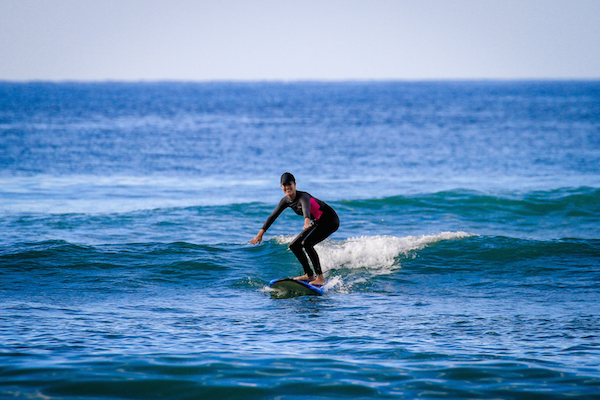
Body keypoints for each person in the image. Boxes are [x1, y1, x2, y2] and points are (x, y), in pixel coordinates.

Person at [250, 172, 340, 286]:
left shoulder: (303, 197)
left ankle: (320, 278)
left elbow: (306, 208)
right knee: (294, 245)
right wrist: (260, 233)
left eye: (289, 184)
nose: (287, 187)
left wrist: (307, 221)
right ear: (281, 187)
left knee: (307, 243)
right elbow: (273, 216)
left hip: (330, 220)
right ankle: (309, 274)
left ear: (295, 184)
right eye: (284, 185)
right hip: (317, 222)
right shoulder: (285, 201)